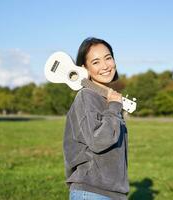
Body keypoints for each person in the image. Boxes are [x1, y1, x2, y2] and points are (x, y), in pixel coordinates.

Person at [63, 37, 129, 200]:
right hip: (92, 192)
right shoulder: (87, 96)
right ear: (84, 68)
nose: (105, 66)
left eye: (108, 58)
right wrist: (114, 107)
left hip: (110, 193)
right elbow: (99, 141)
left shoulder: (105, 99)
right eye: (96, 62)